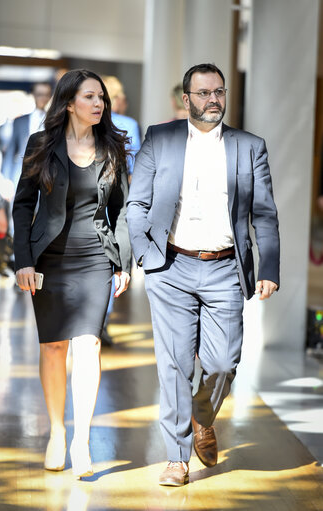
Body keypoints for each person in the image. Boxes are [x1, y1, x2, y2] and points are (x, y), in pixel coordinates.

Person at [127, 63, 280, 486]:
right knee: (174, 365)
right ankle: (177, 458)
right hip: (171, 267)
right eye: (204, 93)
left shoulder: (249, 146)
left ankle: (202, 414)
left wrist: (268, 267)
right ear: (186, 98)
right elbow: (136, 204)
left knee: (223, 362)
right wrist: (144, 254)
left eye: (219, 91)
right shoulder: (161, 138)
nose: (213, 99)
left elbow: (264, 214)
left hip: (226, 268)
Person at [12, 69, 131, 478]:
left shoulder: (112, 147)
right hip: (48, 259)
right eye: (89, 97)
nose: (99, 103)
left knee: (88, 346)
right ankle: (56, 433)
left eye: (101, 97)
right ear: (68, 103)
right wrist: (22, 259)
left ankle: (81, 440)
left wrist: (123, 261)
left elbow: (121, 210)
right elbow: (23, 205)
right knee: (53, 348)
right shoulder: (41, 145)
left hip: (96, 257)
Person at [101, 75, 141, 345]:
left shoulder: (92, 126)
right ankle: (102, 321)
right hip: (118, 197)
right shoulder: (128, 125)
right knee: (111, 256)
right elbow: (134, 167)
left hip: (95, 198)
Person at [2, 82, 53, 188]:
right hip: (20, 171)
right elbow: (11, 150)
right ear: (33, 94)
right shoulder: (20, 121)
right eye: (39, 94)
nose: (42, 98)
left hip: (46, 172)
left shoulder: (53, 121)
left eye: (46, 94)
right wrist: (6, 179)